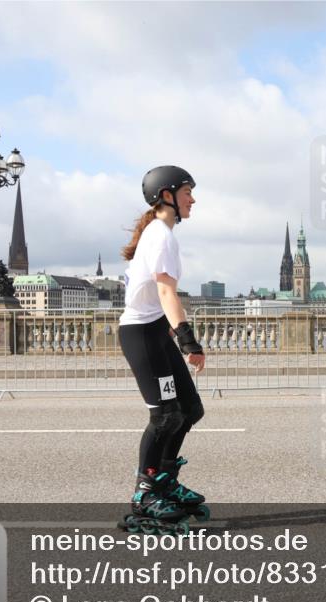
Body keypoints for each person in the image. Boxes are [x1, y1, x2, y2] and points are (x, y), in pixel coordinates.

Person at [116, 165, 209, 534]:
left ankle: (164, 482)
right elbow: (166, 292)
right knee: (166, 417)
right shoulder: (161, 235)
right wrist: (188, 340)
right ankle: (145, 493)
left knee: (190, 410)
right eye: (188, 191)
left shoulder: (160, 232)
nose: (193, 199)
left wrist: (175, 335)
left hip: (154, 332)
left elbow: (162, 296)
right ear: (167, 195)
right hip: (143, 334)